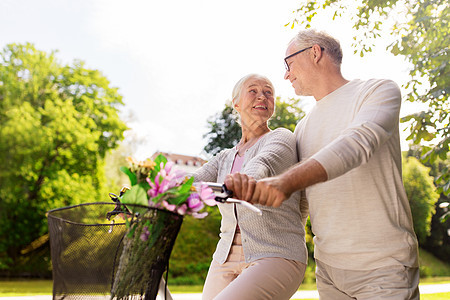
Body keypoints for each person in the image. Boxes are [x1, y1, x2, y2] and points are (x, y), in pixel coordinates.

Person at [225, 29, 420, 299]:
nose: (286, 75)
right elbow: (303, 204)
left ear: (314, 53)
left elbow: (357, 143)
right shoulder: (303, 127)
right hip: (329, 273)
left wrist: (284, 182)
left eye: (288, 63)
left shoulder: (376, 90)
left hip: (383, 266)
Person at [193, 73, 308, 300]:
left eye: (268, 92)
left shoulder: (281, 137)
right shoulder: (225, 156)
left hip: (275, 253)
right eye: (253, 91)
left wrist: (245, 180)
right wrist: (156, 184)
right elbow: (195, 180)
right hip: (224, 256)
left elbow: (262, 163)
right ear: (236, 103)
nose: (262, 96)